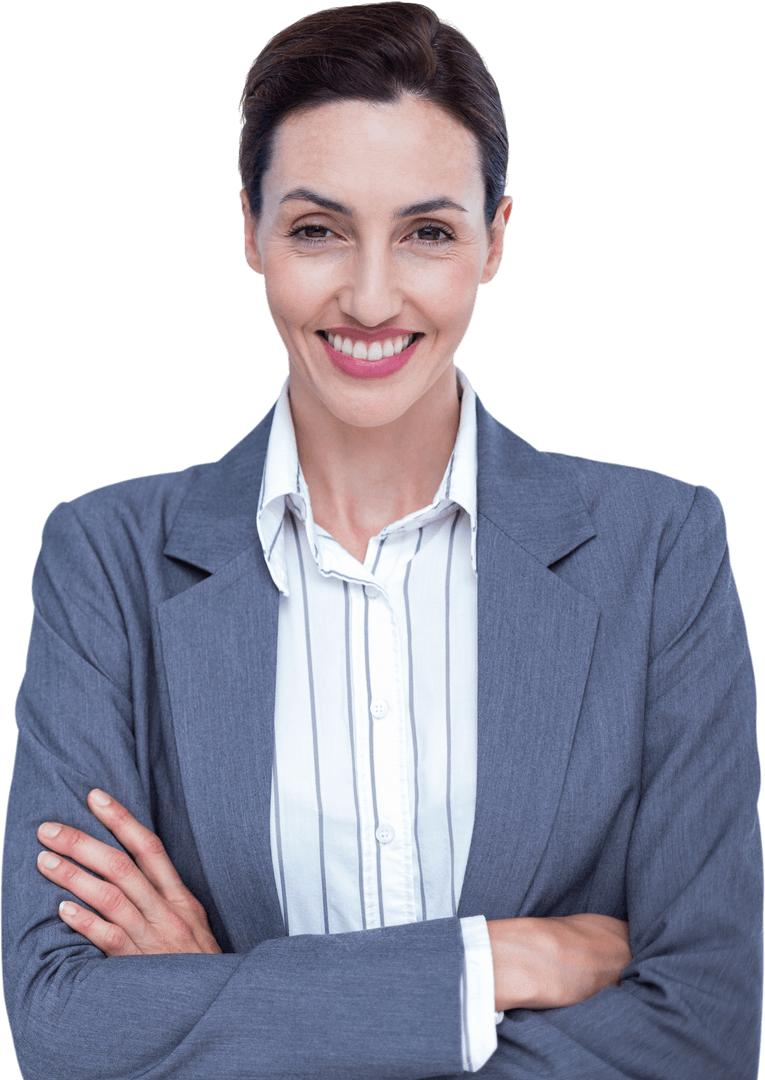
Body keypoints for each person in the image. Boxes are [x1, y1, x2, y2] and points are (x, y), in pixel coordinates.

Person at [1, 2, 761, 1077]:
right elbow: (63, 1022)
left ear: (494, 241)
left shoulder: (661, 550)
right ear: (252, 233)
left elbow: (710, 1024)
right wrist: (491, 964)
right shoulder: (106, 560)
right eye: (317, 229)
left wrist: (229, 1003)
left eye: (427, 232)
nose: (368, 294)